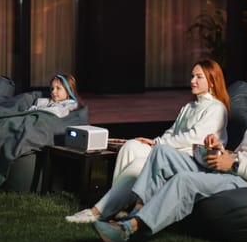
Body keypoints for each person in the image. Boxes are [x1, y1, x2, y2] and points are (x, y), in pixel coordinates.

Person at [91, 74, 247, 242]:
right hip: (229, 169)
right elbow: (239, 154)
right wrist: (220, 150)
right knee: (162, 152)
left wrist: (235, 165)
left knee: (184, 179)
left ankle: (129, 229)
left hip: (244, 181)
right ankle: (138, 209)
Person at [66, 58, 230, 223]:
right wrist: (155, 141)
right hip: (169, 151)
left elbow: (194, 137)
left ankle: (98, 211)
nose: (192, 81)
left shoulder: (216, 108)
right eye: (192, 76)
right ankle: (122, 206)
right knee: (132, 146)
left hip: (187, 159)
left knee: (139, 165)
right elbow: (172, 132)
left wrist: (159, 144)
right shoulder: (189, 107)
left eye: (198, 77)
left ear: (212, 82)